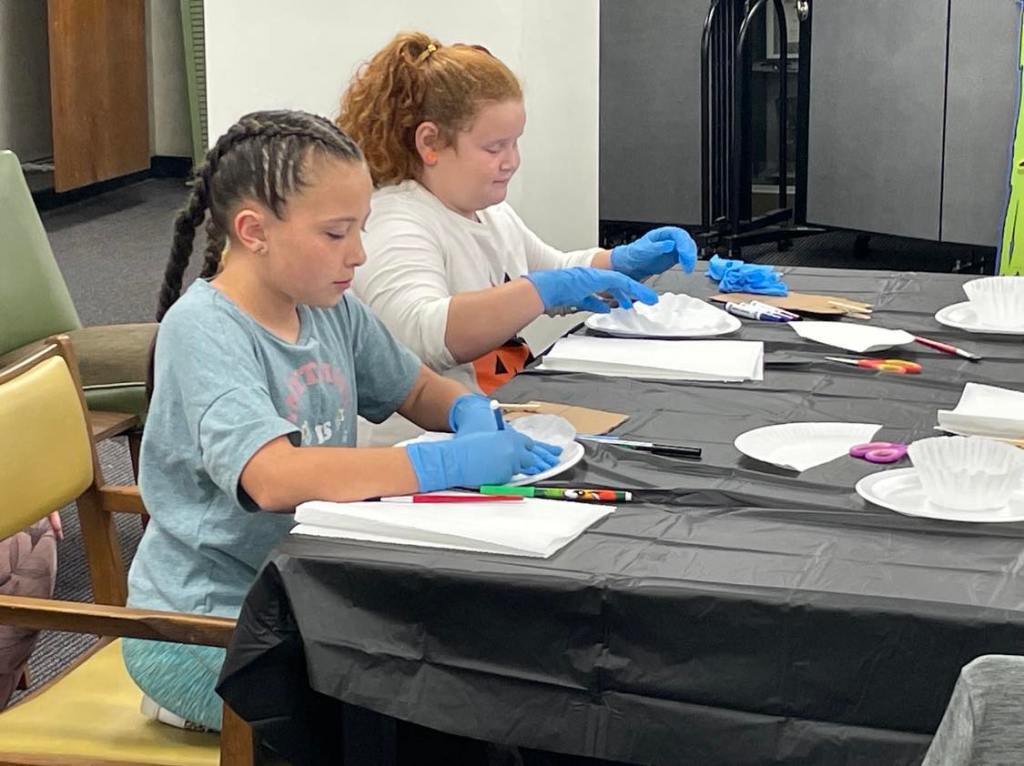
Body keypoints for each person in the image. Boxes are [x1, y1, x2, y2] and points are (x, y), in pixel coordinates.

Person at [121, 110, 561, 732]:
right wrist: (438, 463)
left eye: (361, 229)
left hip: (304, 598)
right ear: (254, 231)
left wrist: (469, 411)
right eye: (335, 234)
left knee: (477, 673)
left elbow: (413, 386)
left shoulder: (327, 306)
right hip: (204, 631)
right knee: (415, 717)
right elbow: (273, 478)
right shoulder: (203, 331)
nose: (357, 254)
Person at [338, 32, 696, 444]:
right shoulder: (394, 221)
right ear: (430, 143)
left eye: (515, 143)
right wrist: (538, 292)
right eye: (494, 148)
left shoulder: (488, 211)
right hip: (421, 448)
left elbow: (555, 271)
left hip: (488, 424)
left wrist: (620, 263)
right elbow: (421, 334)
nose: (512, 161)